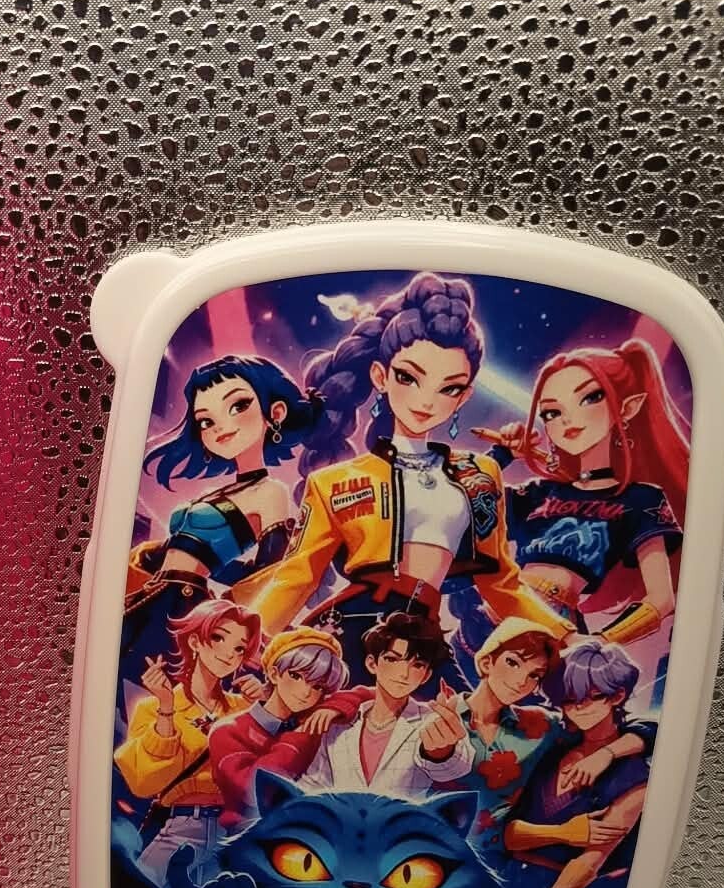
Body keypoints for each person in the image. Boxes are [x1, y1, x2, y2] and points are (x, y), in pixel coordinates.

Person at [231, 272, 567, 676]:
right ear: (381, 376)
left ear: (465, 395)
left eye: (449, 388)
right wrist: (245, 644)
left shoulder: (479, 474)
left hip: (425, 636)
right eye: (409, 377)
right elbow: (297, 576)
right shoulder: (333, 483)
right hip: (356, 630)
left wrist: (565, 636)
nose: (426, 401)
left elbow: (501, 582)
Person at [473, 337, 687, 645]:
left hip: (553, 628)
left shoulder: (641, 499)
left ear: (628, 407)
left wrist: (601, 642)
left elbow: (661, 599)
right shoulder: (538, 492)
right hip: (496, 608)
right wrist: (502, 455)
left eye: (590, 398)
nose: (567, 420)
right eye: (551, 412)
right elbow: (463, 504)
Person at [123, 355, 320, 672]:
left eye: (238, 406)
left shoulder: (269, 492)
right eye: (206, 421)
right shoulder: (215, 493)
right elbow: (185, 546)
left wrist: (226, 608)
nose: (219, 427)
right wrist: (150, 556)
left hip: (183, 601)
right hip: (153, 591)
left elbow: (269, 570)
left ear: (276, 413)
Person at [114, 598, 264, 888]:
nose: (229, 653)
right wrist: (166, 707)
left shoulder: (245, 708)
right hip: (179, 826)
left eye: (239, 648)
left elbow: (268, 774)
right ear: (195, 641)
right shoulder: (154, 707)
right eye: (218, 638)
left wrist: (263, 710)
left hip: (233, 833)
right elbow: (144, 782)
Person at [504, 639, 655, 888]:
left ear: (617, 696)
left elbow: (589, 863)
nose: (578, 708)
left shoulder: (633, 775)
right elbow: (510, 834)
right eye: (569, 700)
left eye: (590, 697)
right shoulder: (554, 749)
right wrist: (563, 832)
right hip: (507, 876)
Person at [302, 611, 473, 798]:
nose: (403, 673)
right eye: (392, 659)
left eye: (417, 664)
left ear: (426, 675)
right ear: (372, 664)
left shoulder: (431, 721)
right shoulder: (340, 724)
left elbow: (457, 766)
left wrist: (441, 752)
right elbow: (314, 783)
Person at [209, 628, 367, 825]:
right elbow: (254, 792)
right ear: (274, 674)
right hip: (248, 834)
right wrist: (298, 739)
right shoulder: (229, 731)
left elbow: (375, 693)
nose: (306, 692)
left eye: (317, 686)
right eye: (296, 676)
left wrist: (334, 708)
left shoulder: (313, 721)